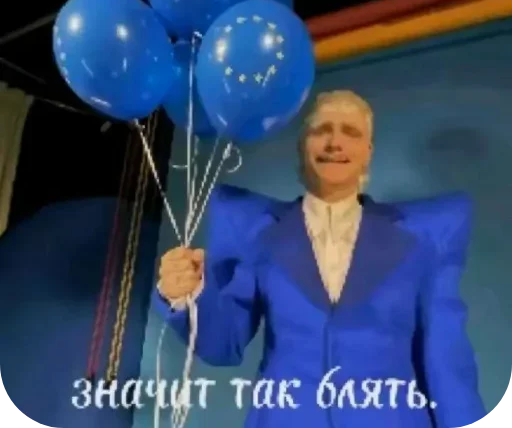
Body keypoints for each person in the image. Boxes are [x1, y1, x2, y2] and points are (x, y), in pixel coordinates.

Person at [154, 90, 488, 427]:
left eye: (351, 132)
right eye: (321, 129)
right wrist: (184, 297)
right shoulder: (258, 232)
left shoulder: (423, 239)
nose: (334, 142)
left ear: (368, 152)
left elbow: (445, 359)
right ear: (303, 145)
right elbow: (222, 345)